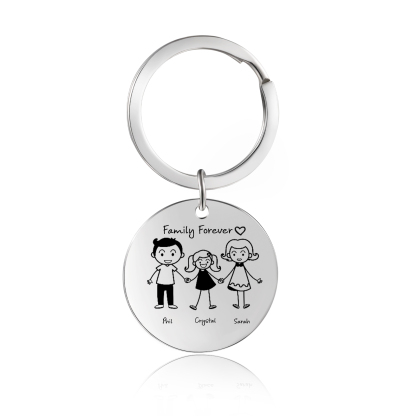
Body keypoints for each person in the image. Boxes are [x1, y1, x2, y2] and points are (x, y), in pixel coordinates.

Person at [219, 239, 262, 309]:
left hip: (243, 278)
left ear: (249, 254)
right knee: (239, 290)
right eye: (234, 254)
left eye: (243, 254)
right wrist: (224, 278)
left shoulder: (242, 267)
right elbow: (230, 272)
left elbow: (248, 273)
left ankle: (243, 304)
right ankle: (239, 304)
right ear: (229, 255)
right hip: (236, 278)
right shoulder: (236, 267)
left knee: (242, 290)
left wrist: (256, 279)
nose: (239, 257)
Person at [147, 238, 188, 309]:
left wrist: (184, 278)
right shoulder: (161, 266)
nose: (167, 258)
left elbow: (178, 272)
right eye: (162, 254)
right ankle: (160, 304)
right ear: (153, 255)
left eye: (172, 254)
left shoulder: (172, 266)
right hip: (160, 282)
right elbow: (155, 272)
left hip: (170, 282)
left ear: (182, 255)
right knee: (160, 293)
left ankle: (171, 304)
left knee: (170, 293)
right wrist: (150, 279)